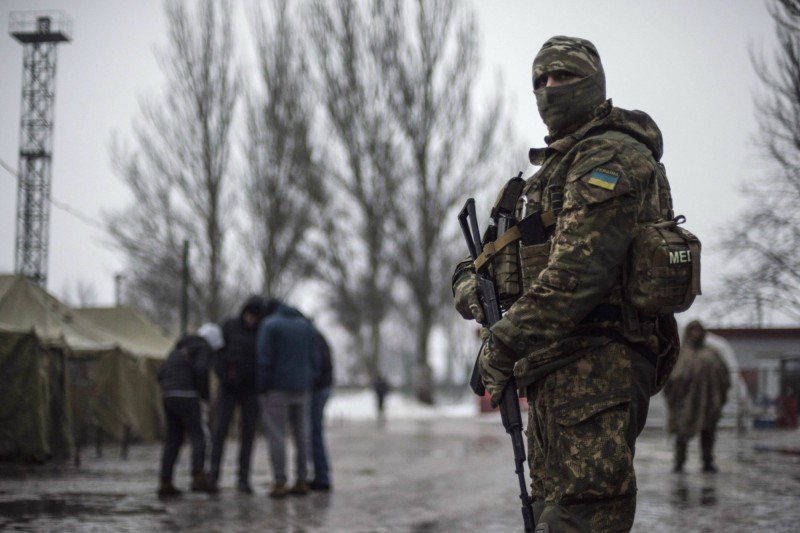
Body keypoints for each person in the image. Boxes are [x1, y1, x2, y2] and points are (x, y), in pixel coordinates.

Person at [453, 35, 680, 531]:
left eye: (564, 77)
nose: (551, 88)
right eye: (542, 80)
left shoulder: (609, 159)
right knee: (549, 513)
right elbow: (508, 271)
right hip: (556, 371)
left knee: (581, 518)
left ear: (593, 83)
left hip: (599, 367)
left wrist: (501, 345)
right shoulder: (555, 170)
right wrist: (472, 289)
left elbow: (577, 275)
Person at [256, 301, 320, 498]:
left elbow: (264, 358)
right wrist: (309, 380)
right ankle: (302, 480)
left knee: (277, 435)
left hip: (278, 389)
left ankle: (280, 481)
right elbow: (315, 358)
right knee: (302, 435)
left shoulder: (270, 325)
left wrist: (263, 386)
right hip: (303, 388)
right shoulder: (306, 326)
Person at [208, 295, 269, 493]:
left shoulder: (262, 331)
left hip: (251, 389)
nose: (251, 319)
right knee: (220, 432)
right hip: (228, 387)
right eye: (249, 315)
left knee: (248, 434)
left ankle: (243, 478)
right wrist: (224, 374)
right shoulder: (229, 325)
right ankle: (213, 476)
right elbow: (218, 353)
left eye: (255, 316)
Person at [157, 322, 222, 497]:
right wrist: (204, 397)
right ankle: (198, 478)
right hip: (188, 395)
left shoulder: (177, 349)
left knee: (173, 439)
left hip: (169, 396)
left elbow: (160, 374)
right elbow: (201, 370)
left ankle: (165, 481)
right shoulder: (203, 347)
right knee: (199, 437)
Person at [664, 320, 730, 473]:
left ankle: (707, 461)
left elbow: (723, 377)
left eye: (698, 331)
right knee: (682, 431)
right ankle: (679, 462)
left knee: (708, 432)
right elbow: (669, 378)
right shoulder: (680, 354)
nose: (695, 334)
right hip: (685, 402)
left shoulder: (712, 354)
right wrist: (674, 396)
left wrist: (718, 398)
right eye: (692, 330)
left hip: (707, 402)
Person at [310, 327, 334, 491]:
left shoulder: (313, 338)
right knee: (314, 431)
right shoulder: (318, 336)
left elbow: (317, 365)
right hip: (324, 385)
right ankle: (321, 474)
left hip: (318, 388)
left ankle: (322, 475)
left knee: (314, 431)